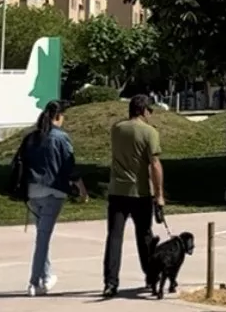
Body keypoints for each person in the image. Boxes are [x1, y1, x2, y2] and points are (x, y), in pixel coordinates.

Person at [21, 101, 87, 296]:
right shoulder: (60, 138)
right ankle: (34, 281)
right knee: (43, 238)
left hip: (33, 192)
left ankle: (47, 275)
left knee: (42, 236)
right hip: (53, 192)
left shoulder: (32, 137)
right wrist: (82, 189)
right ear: (58, 116)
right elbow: (70, 166)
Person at [102, 94, 165, 298]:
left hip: (117, 191)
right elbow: (154, 164)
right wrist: (159, 195)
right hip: (140, 192)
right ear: (144, 110)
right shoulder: (149, 133)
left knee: (114, 237)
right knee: (144, 235)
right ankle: (150, 276)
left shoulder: (117, 129)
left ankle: (110, 282)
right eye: (150, 111)